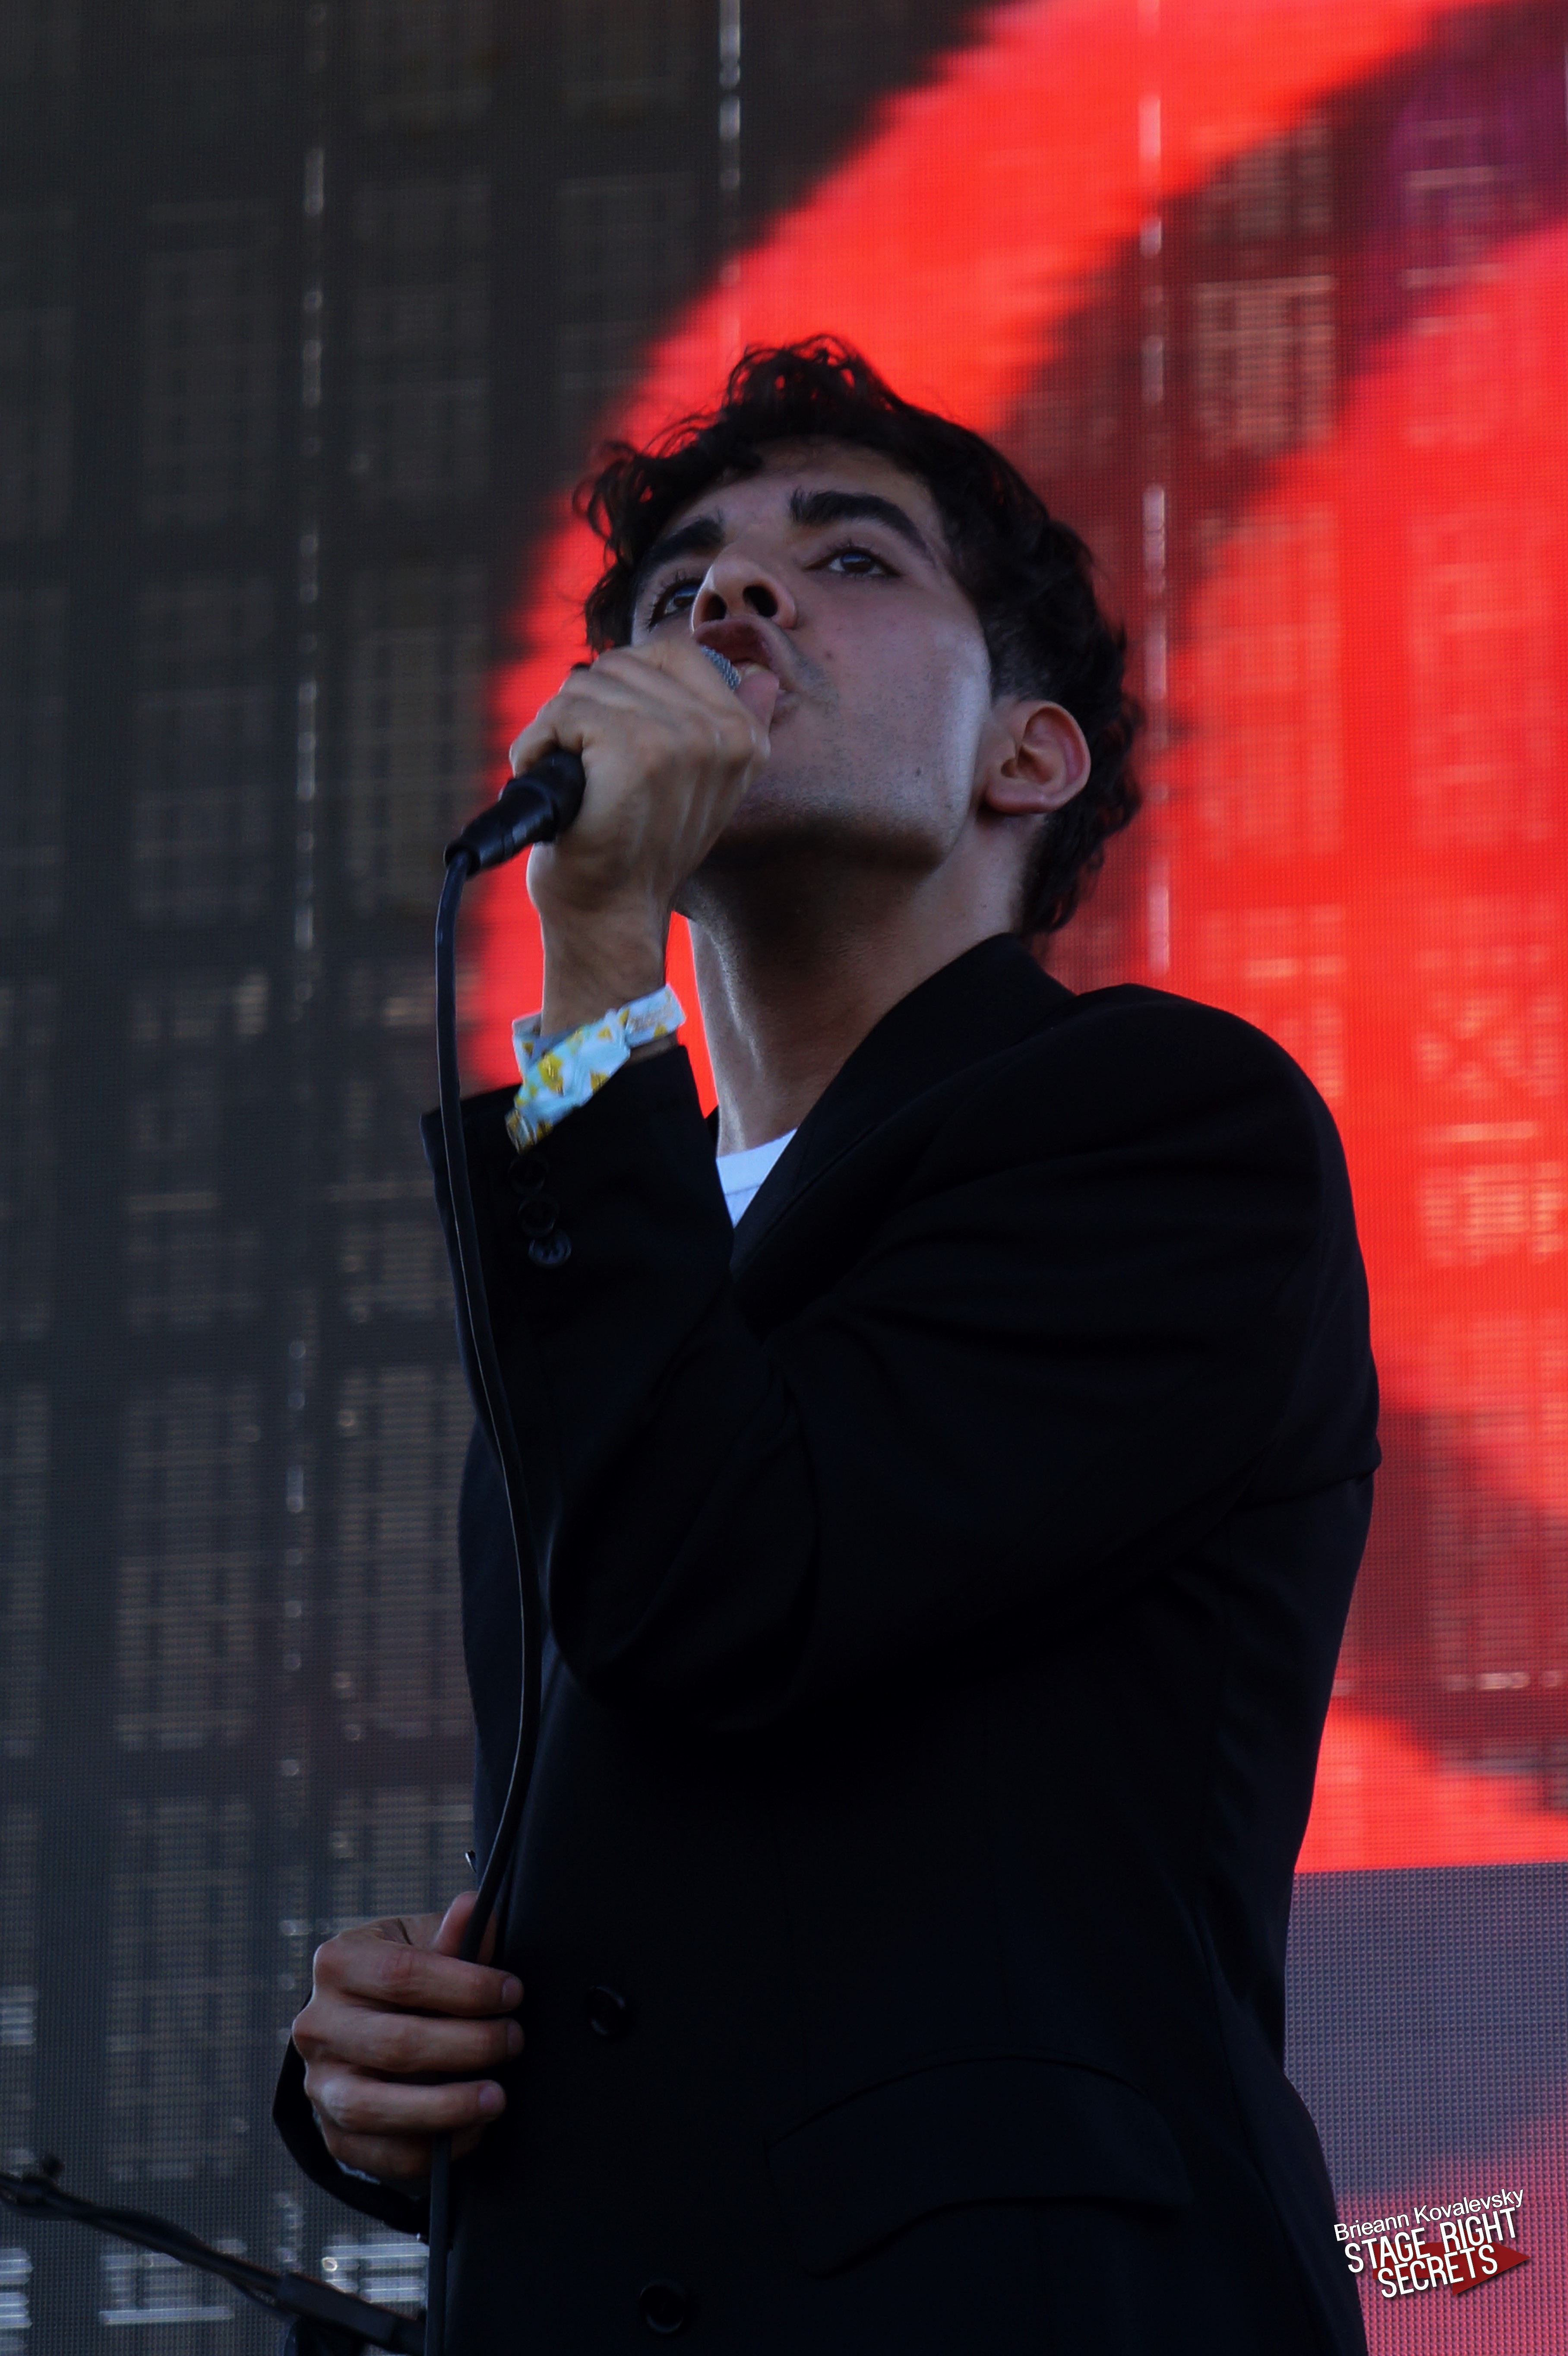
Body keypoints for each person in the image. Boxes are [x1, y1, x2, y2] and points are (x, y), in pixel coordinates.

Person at [275, 341, 1377, 2354]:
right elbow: (670, 1878)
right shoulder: (622, 1243)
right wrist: (387, 2084)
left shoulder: (1161, 1123)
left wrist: (590, 962)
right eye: (676, 581)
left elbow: (729, 1588)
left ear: (1024, 757)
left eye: (850, 558)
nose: (730, 593)